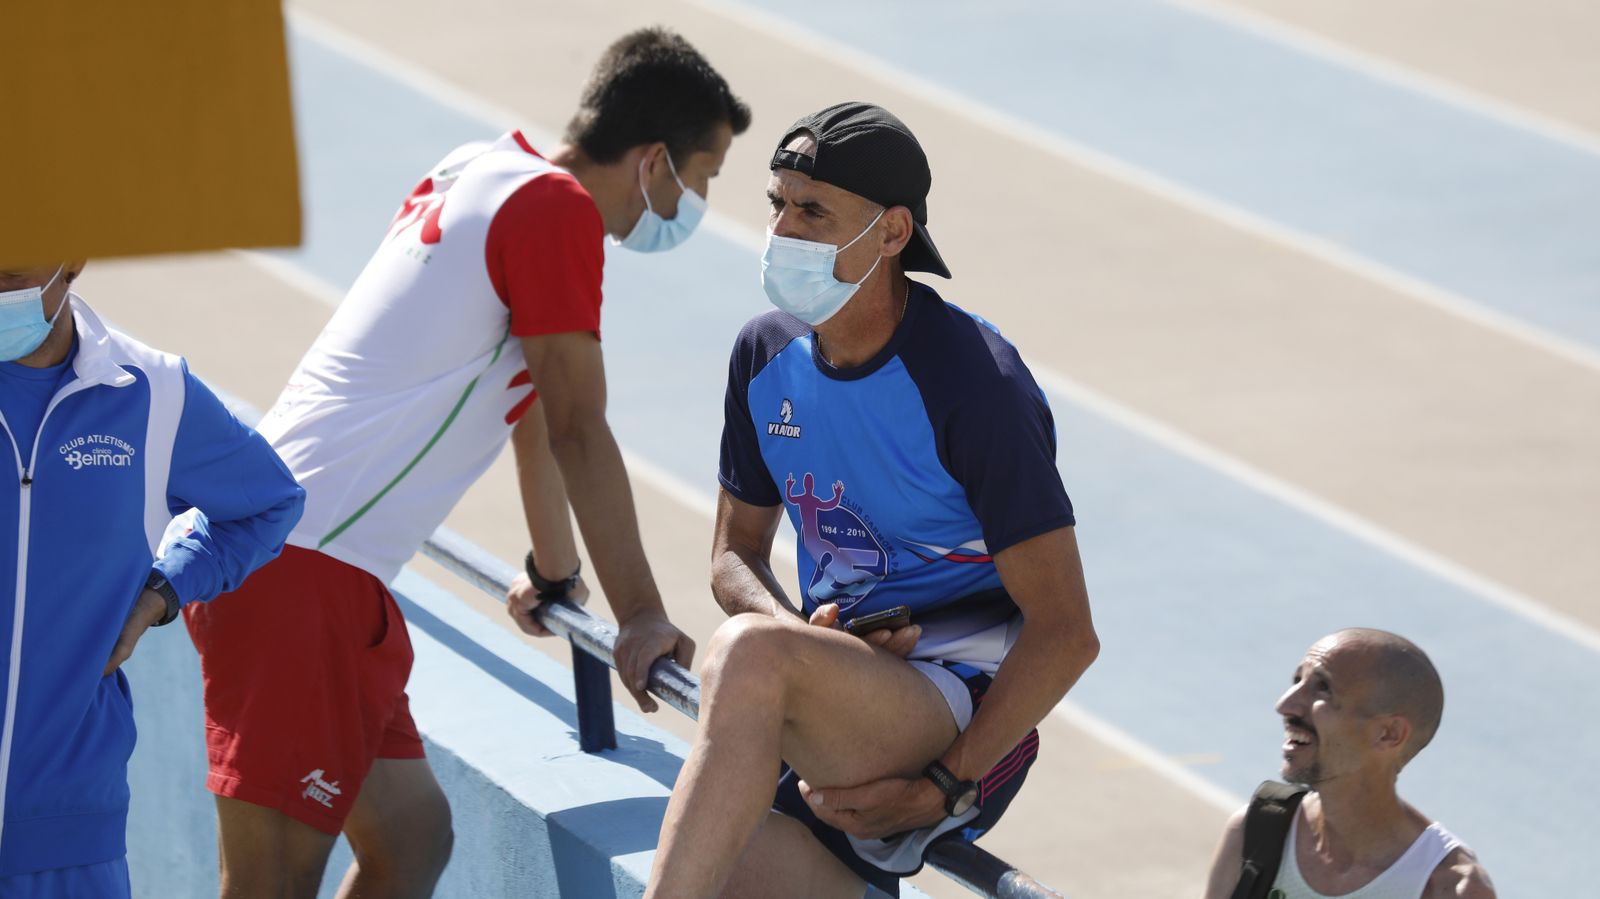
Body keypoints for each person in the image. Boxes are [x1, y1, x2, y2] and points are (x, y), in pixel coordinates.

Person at [181, 28, 750, 898]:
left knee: (413, 841)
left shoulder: (477, 167)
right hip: (302, 570)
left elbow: (527, 414)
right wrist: (639, 614)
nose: (693, 205)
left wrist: (554, 573)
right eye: (701, 180)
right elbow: (577, 426)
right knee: (269, 883)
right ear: (655, 160)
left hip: (307, 562)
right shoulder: (557, 211)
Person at [645, 102, 1100, 898]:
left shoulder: (974, 383)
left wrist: (947, 785)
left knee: (745, 655)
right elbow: (732, 553)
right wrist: (805, 644)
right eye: (777, 204)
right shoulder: (764, 353)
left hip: (956, 708)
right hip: (840, 689)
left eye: (813, 210)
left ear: (892, 234)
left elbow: (1066, 632)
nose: (783, 230)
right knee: (731, 871)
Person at [0, 262, 304, 896]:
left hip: (69, 838)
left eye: (9, 274)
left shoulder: (155, 392)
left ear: (73, 256)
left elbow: (268, 503)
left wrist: (160, 596)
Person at [1202, 628, 1496, 899]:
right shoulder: (1256, 831)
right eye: (1297, 681)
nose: (1285, 705)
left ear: (1388, 734)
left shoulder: (1449, 888)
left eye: (1323, 689)